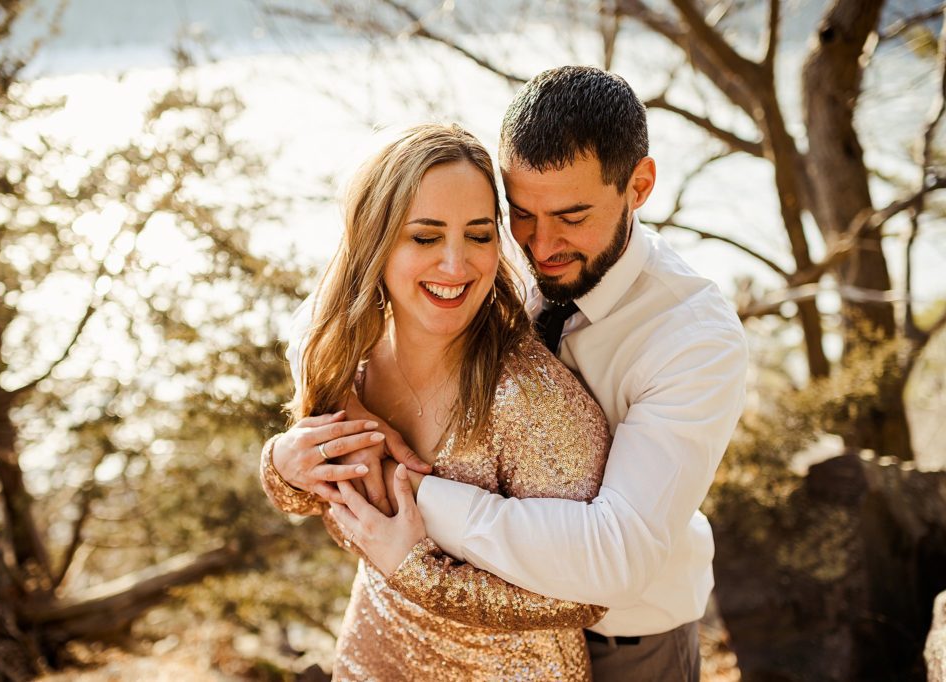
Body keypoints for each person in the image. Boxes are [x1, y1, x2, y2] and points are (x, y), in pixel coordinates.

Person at [277, 67, 749, 681]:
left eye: (573, 216)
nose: (541, 245)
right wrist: (345, 403)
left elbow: (617, 554)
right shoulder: (485, 254)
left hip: (628, 638)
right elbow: (327, 311)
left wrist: (410, 489)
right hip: (454, 627)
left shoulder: (693, 334)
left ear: (639, 185)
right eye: (520, 213)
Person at [260, 123, 613, 680]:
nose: (456, 265)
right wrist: (281, 464)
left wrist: (419, 571)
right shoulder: (344, 357)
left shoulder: (531, 401)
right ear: (374, 241)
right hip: (373, 653)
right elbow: (314, 498)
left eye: (478, 234)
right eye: (425, 237)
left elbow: (590, 594)